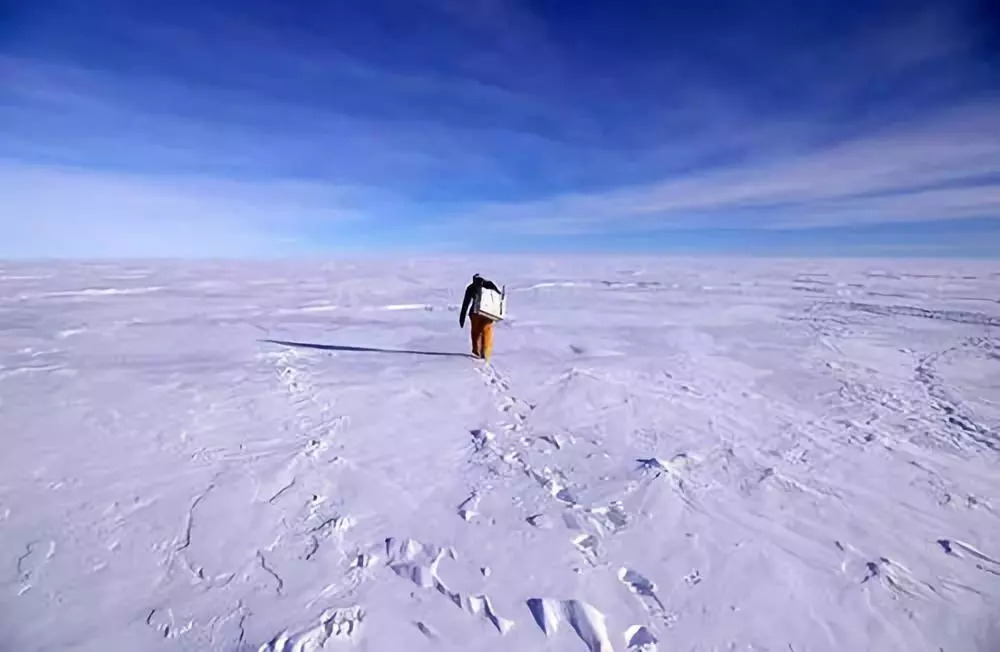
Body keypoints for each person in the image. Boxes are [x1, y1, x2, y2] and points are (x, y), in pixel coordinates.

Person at [459, 273, 501, 360]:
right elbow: (498, 298)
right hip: (488, 313)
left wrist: (462, 318)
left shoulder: (472, 287)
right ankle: (485, 352)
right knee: (486, 331)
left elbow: (466, 303)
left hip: (477, 313)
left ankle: (477, 351)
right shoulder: (490, 285)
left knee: (476, 332)